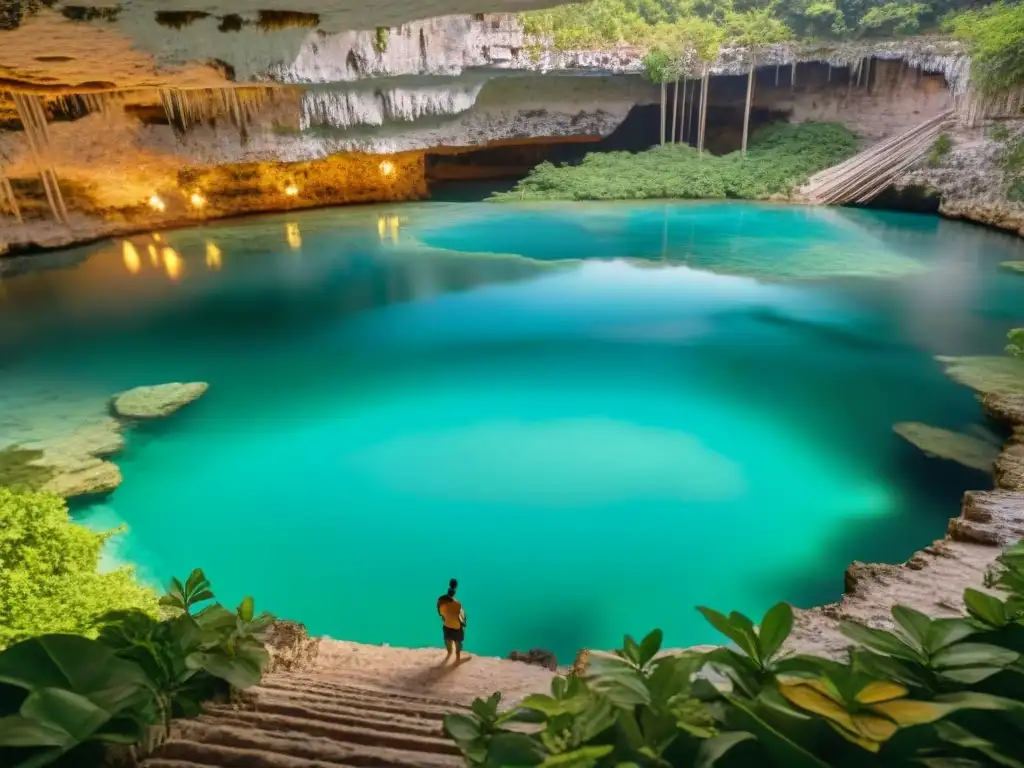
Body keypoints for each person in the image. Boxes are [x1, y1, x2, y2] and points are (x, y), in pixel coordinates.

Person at [436, 578, 467, 663]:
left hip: (446, 625)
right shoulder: (458, 604)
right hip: (456, 627)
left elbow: (440, 614)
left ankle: (449, 653)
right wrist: (464, 623)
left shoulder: (440, 601)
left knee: (447, 639)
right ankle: (457, 658)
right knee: (458, 641)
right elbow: (462, 618)